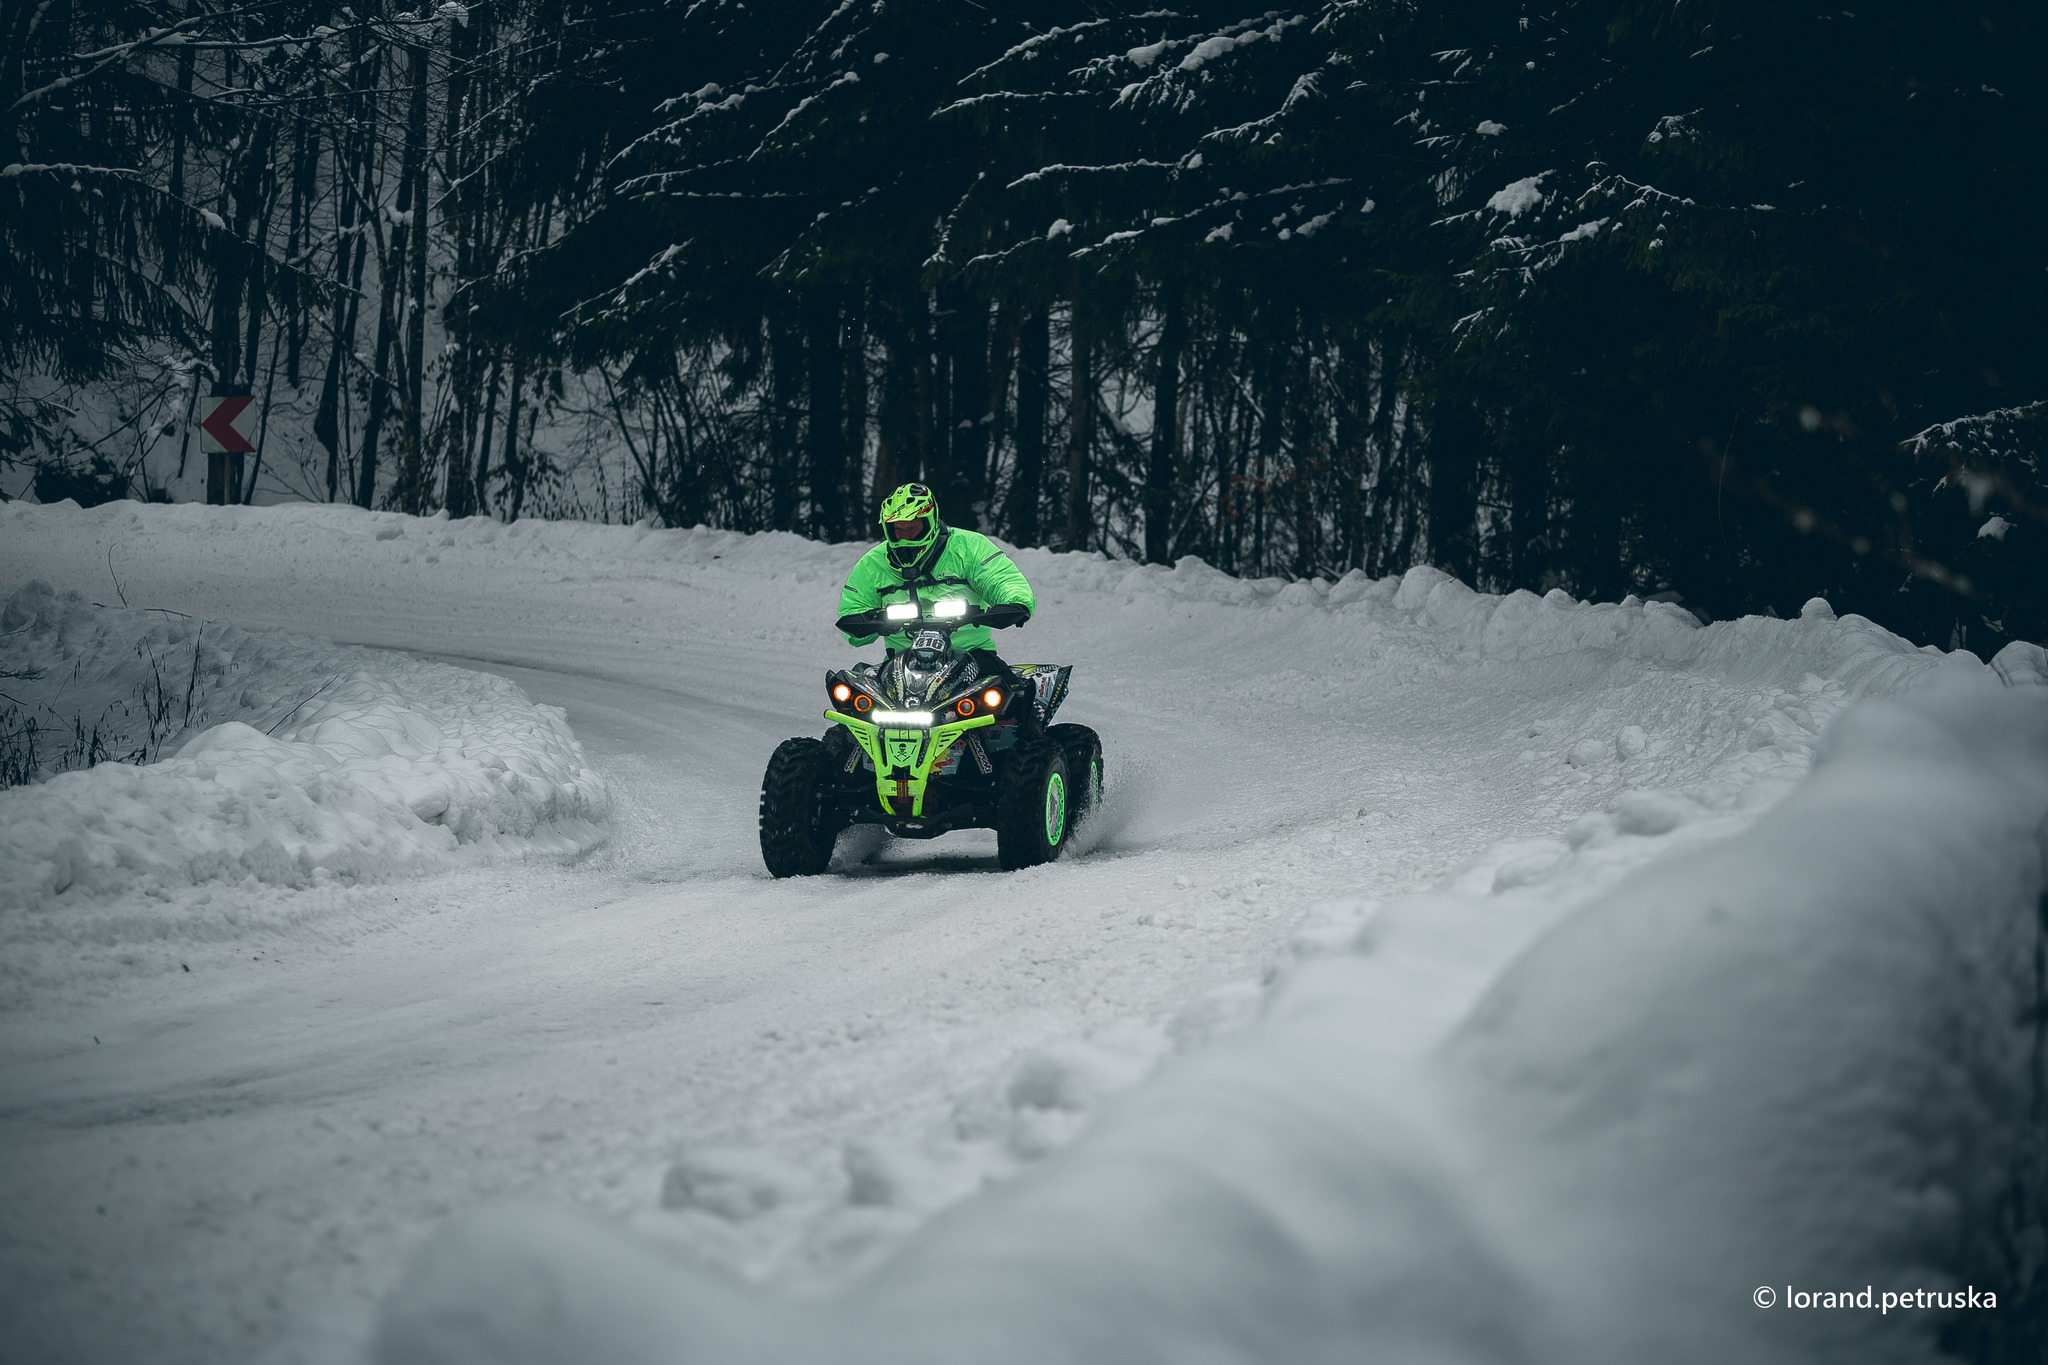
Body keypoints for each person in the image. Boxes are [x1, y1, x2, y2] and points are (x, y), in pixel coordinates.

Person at [836, 482, 1042, 736]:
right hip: (901, 663)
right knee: (853, 718)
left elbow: (1003, 579)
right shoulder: (872, 564)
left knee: (1016, 704)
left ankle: (1038, 754)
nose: (905, 537)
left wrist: (1015, 603)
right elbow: (852, 615)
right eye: (898, 529)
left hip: (972, 657)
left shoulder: (969, 547)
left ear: (930, 521)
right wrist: (866, 621)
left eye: (912, 528)